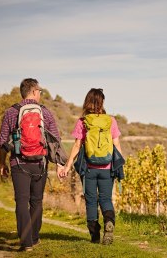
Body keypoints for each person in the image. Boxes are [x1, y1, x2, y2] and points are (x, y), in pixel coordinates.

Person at [0, 78, 62, 252]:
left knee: (21, 202)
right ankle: (34, 237)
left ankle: (26, 243)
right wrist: (58, 164)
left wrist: (2, 163)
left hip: (18, 163)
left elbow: (2, 141)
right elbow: (55, 140)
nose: (40, 94)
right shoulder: (45, 112)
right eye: (40, 91)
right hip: (40, 164)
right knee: (37, 201)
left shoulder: (11, 112)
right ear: (34, 91)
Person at [58, 88, 122, 245]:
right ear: (102, 102)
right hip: (107, 168)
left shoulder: (83, 122)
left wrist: (67, 166)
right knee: (106, 199)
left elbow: (77, 146)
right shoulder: (110, 121)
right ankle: (109, 223)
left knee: (91, 201)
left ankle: (94, 236)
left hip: (89, 169)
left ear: (87, 102)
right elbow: (117, 145)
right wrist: (119, 166)